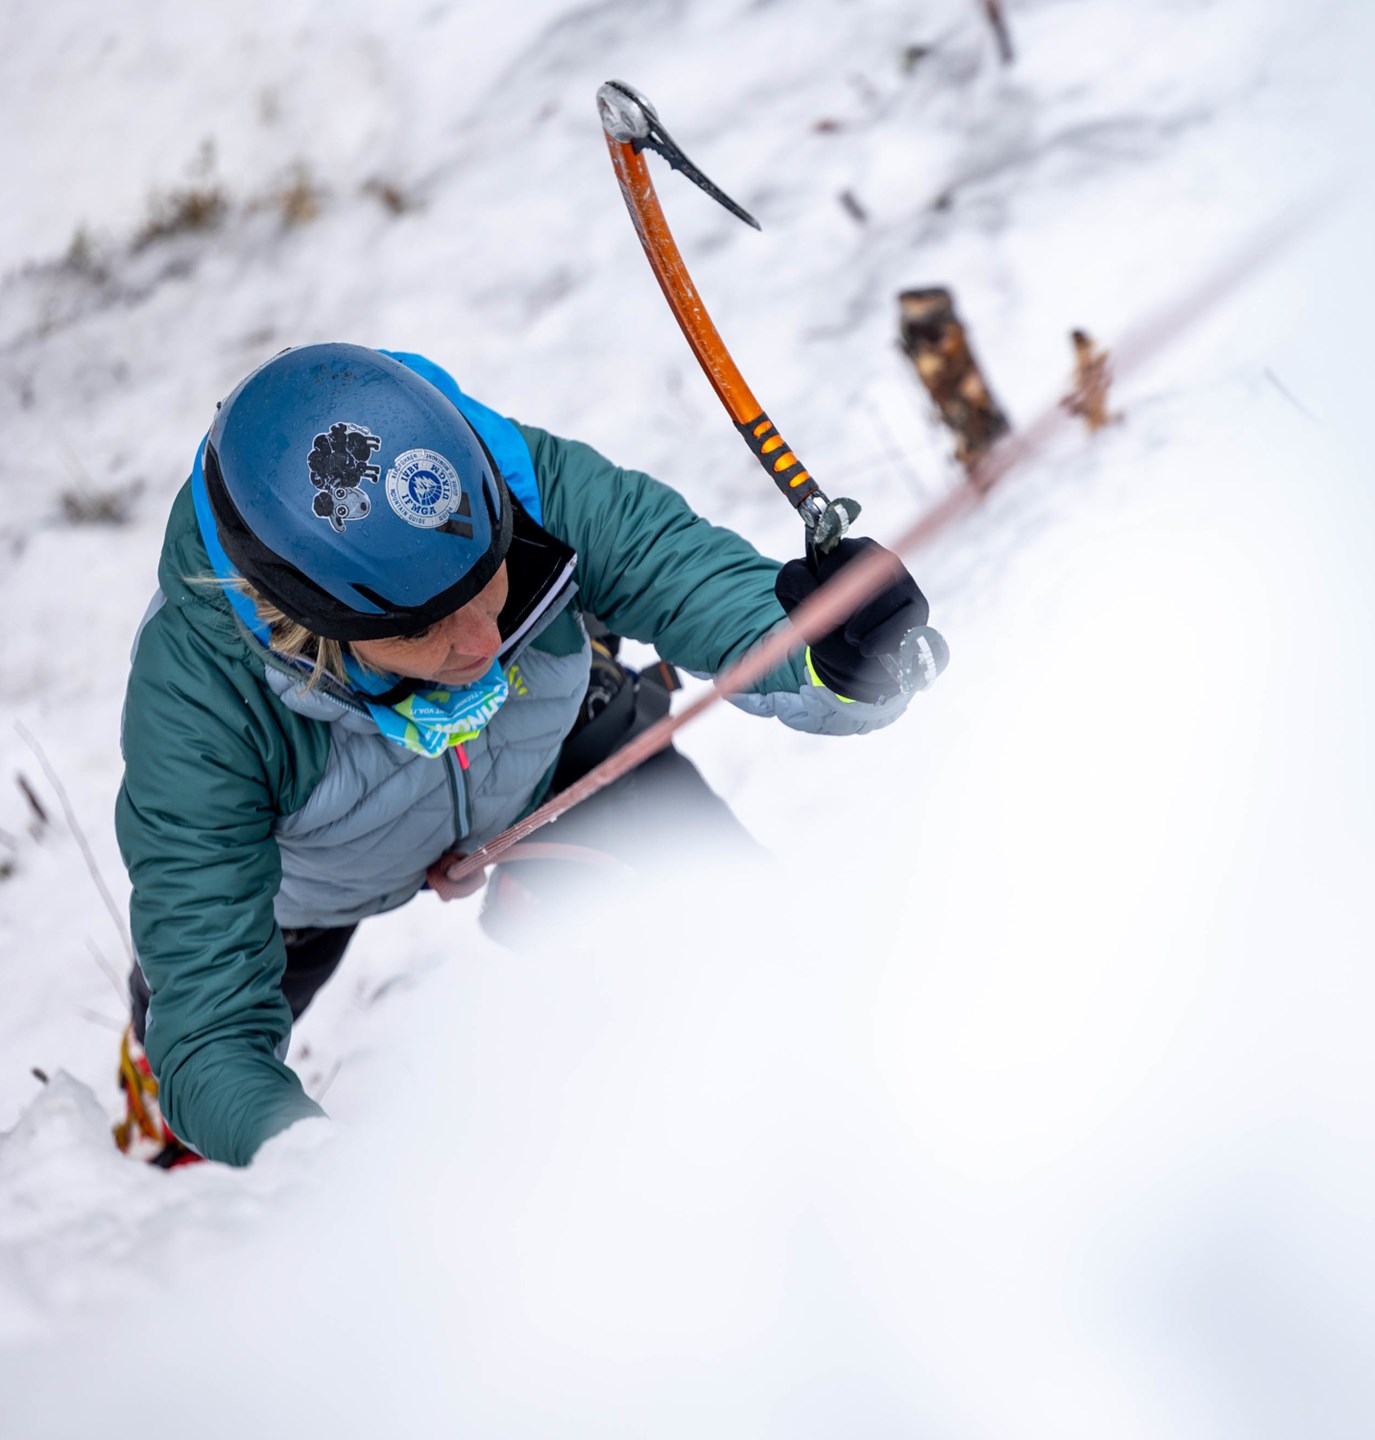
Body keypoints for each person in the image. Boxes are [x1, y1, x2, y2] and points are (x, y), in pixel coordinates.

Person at [113, 343, 934, 1168]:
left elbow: (688, 578)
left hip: (540, 765)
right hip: (313, 886)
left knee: (748, 945)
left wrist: (837, 654)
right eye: (421, 626)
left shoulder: (519, 484)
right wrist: (309, 1164)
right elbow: (212, 1033)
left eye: (488, 579)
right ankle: (148, 1124)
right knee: (195, 1057)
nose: (483, 641)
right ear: (306, 625)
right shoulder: (196, 702)